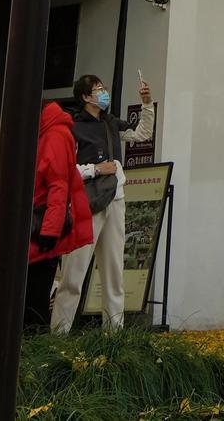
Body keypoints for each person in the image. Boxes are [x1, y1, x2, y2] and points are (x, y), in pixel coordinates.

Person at [51, 71, 154, 332]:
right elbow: (64, 170)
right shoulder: (73, 127)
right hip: (86, 202)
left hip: (115, 199)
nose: (103, 92)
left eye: (103, 88)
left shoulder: (110, 123)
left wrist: (146, 104)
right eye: (98, 89)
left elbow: (142, 134)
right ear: (86, 96)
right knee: (73, 273)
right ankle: (59, 335)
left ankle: (114, 335)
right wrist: (96, 169)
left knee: (113, 270)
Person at [26, 100, 92, 328]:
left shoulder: (54, 134)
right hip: (42, 220)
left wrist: (49, 231)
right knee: (32, 294)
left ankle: (33, 352)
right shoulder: (49, 131)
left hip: (41, 223)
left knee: (34, 296)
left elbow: (58, 186)